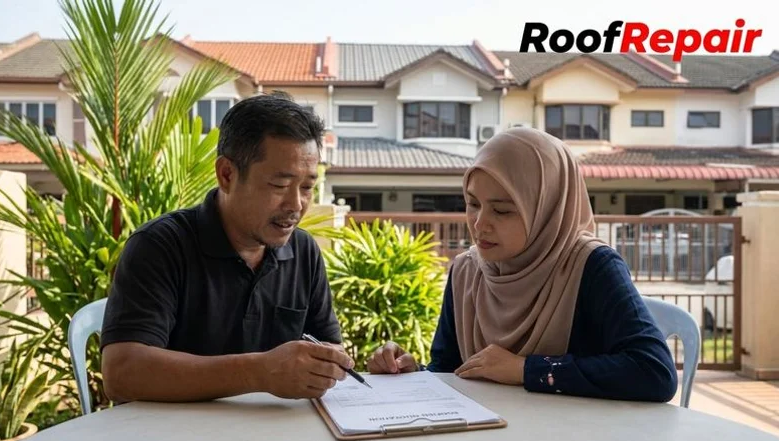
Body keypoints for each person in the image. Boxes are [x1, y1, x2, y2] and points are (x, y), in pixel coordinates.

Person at [367, 128, 678, 402]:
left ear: (545, 209)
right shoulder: (467, 272)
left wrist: (526, 369)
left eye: (502, 211)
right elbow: (450, 370)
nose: (479, 223)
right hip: (488, 435)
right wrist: (412, 373)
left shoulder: (590, 266)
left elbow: (654, 372)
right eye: (473, 204)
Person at [100, 93, 353, 403]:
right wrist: (258, 372)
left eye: (307, 187)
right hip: (172, 429)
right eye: (280, 186)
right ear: (227, 175)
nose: (296, 205)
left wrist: (363, 367)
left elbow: (327, 349)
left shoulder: (303, 251)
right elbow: (122, 373)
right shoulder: (160, 246)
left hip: (272, 428)